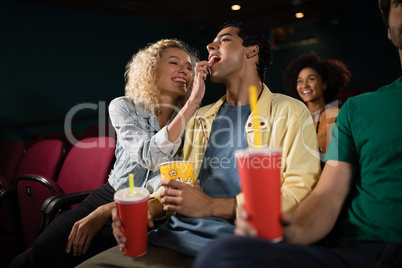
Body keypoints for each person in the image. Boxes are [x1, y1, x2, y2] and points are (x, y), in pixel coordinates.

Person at [76, 21, 321, 268]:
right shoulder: (200, 117)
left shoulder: (289, 111)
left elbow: (298, 192)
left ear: (251, 51)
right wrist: (150, 207)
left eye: (224, 40)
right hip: (171, 238)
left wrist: (213, 206)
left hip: (239, 245)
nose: (210, 45)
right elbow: (180, 182)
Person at [192, 1, 402, 267]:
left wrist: (215, 206)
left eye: (311, 79)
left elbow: (303, 181)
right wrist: (292, 232)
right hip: (362, 250)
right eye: (398, 1)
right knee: (223, 254)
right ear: (388, 29)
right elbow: (326, 193)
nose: (304, 85)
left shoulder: (319, 114)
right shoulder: (358, 110)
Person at [9, 39, 202, 268]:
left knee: (66, 258)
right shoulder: (123, 106)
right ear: (152, 69)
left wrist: (192, 104)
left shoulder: (196, 119)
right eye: (174, 62)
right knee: (39, 251)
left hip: (150, 207)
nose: (185, 70)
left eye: (189, 67)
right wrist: (104, 206)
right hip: (111, 193)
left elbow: (170, 177)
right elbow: (148, 156)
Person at [283, 52, 351, 156]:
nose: (304, 85)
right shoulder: (295, 120)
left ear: (324, 84)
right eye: (300, 81)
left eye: (311, 79)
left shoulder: (337, 116)